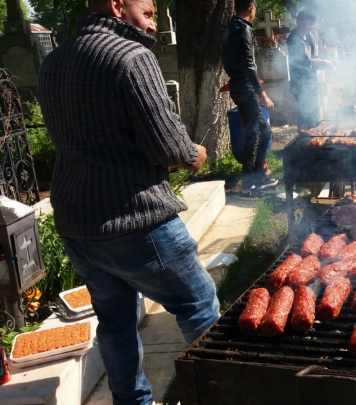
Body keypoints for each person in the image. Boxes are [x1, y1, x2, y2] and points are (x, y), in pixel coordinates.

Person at [36, 0, 220, 403]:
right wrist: (194, 154)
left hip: (78, 224)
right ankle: (216, 393)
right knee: (199, 306)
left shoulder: (55, 60)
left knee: (115, 321)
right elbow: (169, 147)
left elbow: (90, 137)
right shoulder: (132, 56)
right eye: (149, 13)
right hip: (136, 221)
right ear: (118, 5)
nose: (153, 25)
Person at [221, 0, 278, 194]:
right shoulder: (242, 28)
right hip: (245, 86)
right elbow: (249, 65)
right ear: (252, 8)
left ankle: (256, 178)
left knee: (262, 131)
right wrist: (263, 95)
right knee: (255, 134)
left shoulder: (230, 27)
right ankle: (250, 183)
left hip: (239, 85)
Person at [287, 10, 333, 133]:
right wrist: (320, 62)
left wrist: (323, 63)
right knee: (304, 112)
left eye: (313, 24)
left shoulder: (309, 37)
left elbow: (314, 56)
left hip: (310, 81)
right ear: (300, 21)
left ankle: (313, 136)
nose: (312, 27)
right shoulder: (293, 38)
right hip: (299, 82)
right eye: (310, 24)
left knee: (313, 111)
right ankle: (304, 139)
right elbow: (300, 62)